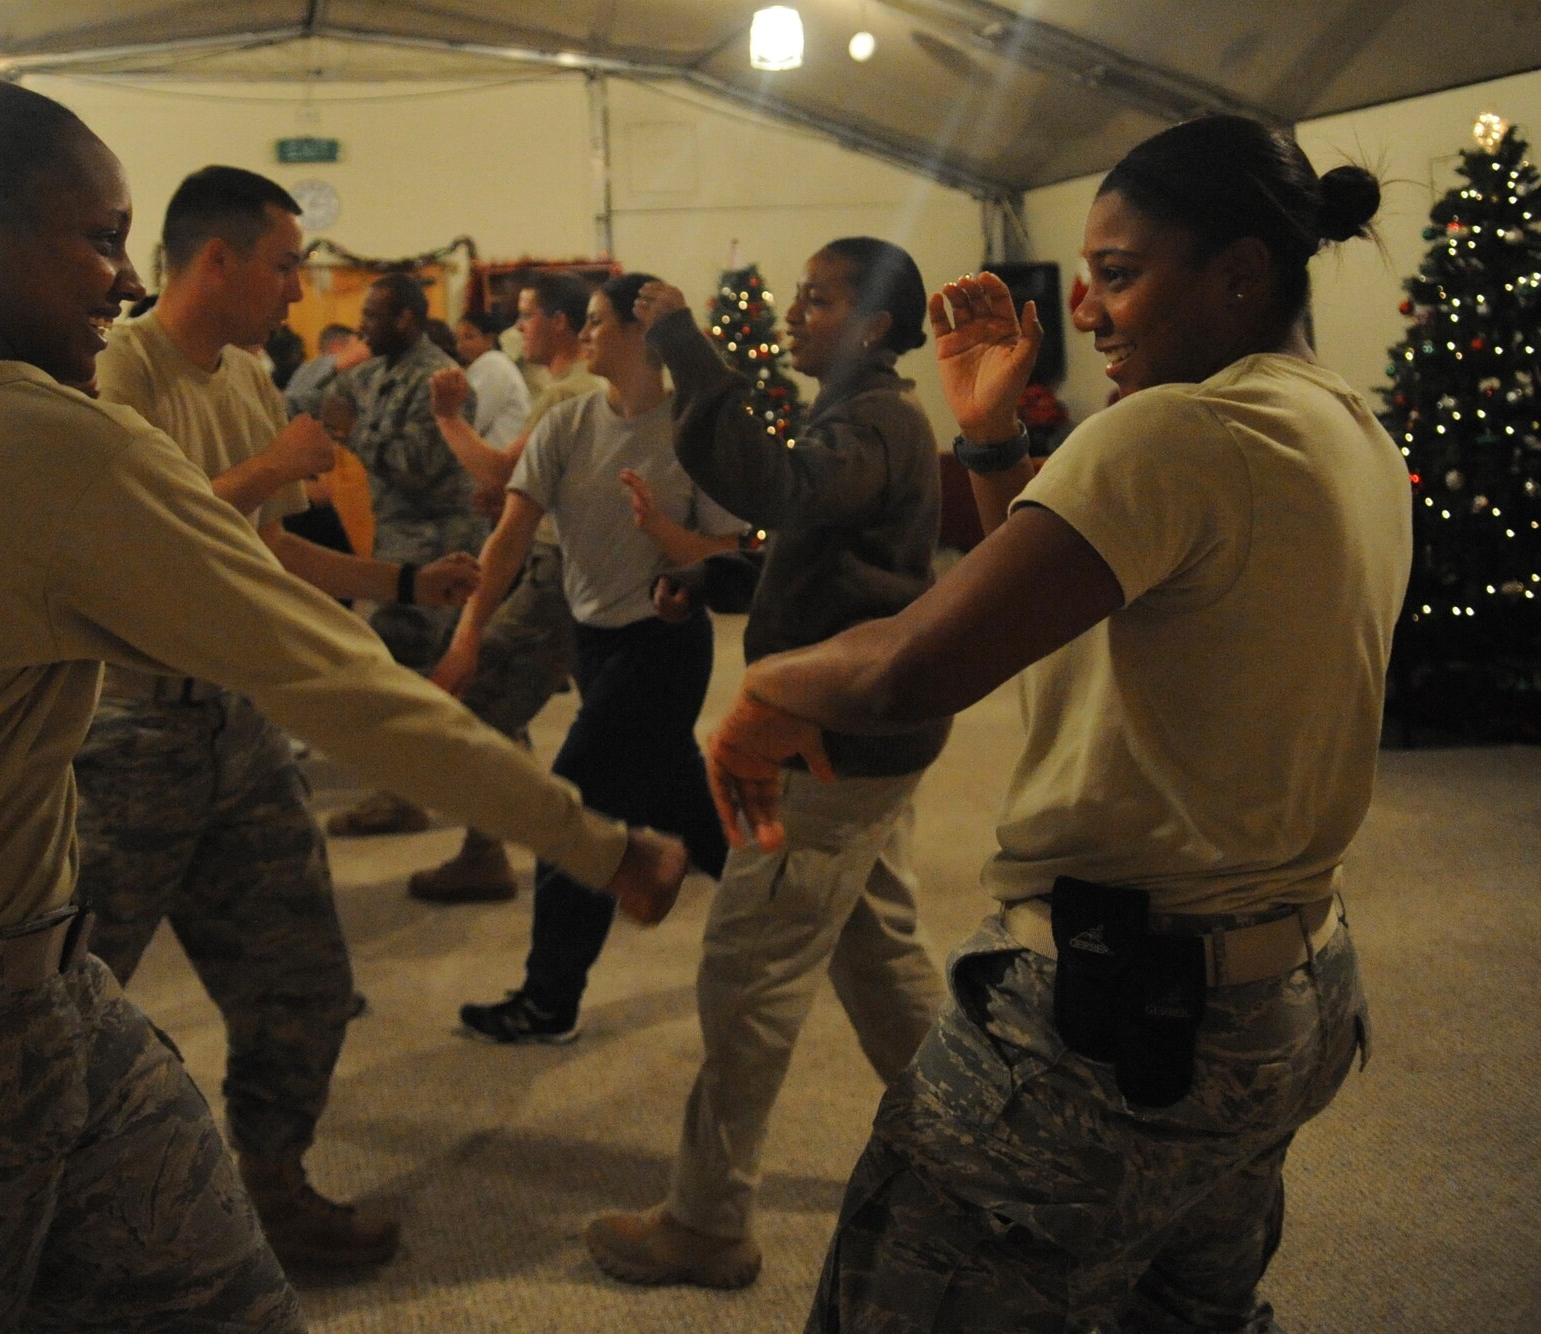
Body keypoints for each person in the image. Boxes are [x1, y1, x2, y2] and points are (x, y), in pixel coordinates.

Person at [0, 53, 687, 1331]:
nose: (130, 277)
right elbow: (336, 684)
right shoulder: (55, 445)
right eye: (99, 241)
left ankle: (274, 1172)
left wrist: (381, 572)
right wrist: (594, 840)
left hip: (39, 1003)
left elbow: (223, 575)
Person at [707, 115, 1400, 1332]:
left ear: (1238, 272)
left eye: (1120, 275)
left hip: (1112, 1023)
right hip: (1281, 1001)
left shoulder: (1176, 431)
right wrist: (987, 443)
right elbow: (1059, 604)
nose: (1082, 309)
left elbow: (913, 665)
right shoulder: (1342, 424)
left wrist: (762, 689)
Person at [75, 164, 483, 1271]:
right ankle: (49, 1230)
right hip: (127, 738)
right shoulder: (116, 367)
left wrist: (400, 582)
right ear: (215, 259)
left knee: (302, 983)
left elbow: (266, 551)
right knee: (67, 1002)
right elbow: (125, 554)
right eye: (286, 264)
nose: (299, 291)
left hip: (238, 725)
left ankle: (271, 1188)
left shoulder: (251, 374)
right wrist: (268, 463)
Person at [583, 238, 951, 1290]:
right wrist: (717, 580)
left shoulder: (875, 418)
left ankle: (705, 1222)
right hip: (865, 736)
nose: (793, 313)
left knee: (746, 975)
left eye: (818, 300)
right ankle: (964, 1153)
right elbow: (832, 552)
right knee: (875, 956)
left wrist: (690, 354)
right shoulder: (866, 416)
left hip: (823, 746)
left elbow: (783, 491)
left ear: (875, 325)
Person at [435, 272, 750, 1044]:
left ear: (644, 334)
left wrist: (678, 557)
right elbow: (509, 539)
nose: (586, 334)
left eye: (602, 322)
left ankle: (548, 999)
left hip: (665, 644)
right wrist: (468, 630)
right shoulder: (568, 423)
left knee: (571, 811)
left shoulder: (690, 431)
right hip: (596, 642)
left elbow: (730, 550)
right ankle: (784, 894)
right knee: (682, 798)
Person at [404, 273, 603, 903]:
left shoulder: (570, 391)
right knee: (606, 728)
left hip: (556, 576)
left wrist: (446, 417)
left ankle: (511, 848)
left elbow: (497, 468)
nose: (519, 328)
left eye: (528, 316)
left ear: (561, 324)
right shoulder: (578, 388)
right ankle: (499, 844)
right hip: (566, 569)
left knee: (477, 702)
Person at [323, 272, 483, 836]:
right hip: (399, 542)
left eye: (372, 316)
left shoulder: (441, 380)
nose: (362, 327)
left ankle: (405, 798)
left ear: (406, 320)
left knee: (410, 673)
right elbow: (322, 402)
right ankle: (449, 797)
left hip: (436, 543)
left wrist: (352, 432)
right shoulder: (379, 371)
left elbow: (417, 467)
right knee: (427, 679)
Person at [452, 308, 532, 447]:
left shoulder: (493, 363)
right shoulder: (487, 364)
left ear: (489, 339)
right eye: (457, 339)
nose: (461, 345)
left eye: (469, 337)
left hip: (503, 455)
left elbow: (474, 420)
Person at [282, 322, 366, 419]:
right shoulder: (312, 370)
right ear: (335, 346)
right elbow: (300, 398)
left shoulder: (303, 371)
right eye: (355, 347)